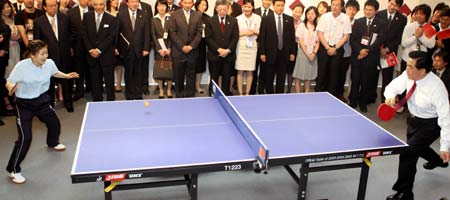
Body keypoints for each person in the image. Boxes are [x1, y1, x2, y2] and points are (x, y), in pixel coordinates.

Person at [5, 40, 79, 184]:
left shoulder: (49, 63)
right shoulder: (22, 66)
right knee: (25, 138)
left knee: (54, 124)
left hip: (42, 100)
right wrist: (11, 88)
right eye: (41, 54)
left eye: (46, 53)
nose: (45, 56)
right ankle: (14, 169)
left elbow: (55, 72)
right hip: (24, 105)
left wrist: (67, 76)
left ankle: (52, 142)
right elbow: (9, 82)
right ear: (32, 55)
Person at [384, 51, 450, 200]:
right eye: (407, 65)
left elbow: (446, 118)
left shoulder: (437, 88)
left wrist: (445, 146)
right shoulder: (409, 75)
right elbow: (391, 87)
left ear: (422, 71)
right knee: (418, 148)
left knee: (408, 153)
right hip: (412, 120)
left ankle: (405, 193)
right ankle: (437, 161)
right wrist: (390, 97)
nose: (406, 69)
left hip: (430, 125)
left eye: (410, 67)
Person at [348, 0, 385, 113]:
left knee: (366, 81)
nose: (367, 12)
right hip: (357, 56)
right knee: (355, 79)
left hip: (371, 57)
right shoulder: (358, 22)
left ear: (376, 11)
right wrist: (360, 50)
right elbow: (352, 39)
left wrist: (367, 51)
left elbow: (380, 40)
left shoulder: (381, 23)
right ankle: (352, 101)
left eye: (370, 10)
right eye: (366, 9)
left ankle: (363, 103)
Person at [81, 0, 119, 101]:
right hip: (92, 56)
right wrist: (90, 50)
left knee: (109, 82)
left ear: (105, 5)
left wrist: (99, 50)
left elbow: (111, 37)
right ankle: (97, 101)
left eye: (101, 4)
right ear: (93, 5)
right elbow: (84, 35)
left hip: (107, 56)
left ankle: (111, 102)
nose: (98, 7)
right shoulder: (86, 17)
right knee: (95, 81)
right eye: (96, 4)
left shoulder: (111, 19)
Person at [258, 0, 296, 94]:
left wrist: (292, 52)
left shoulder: (289, 19)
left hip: (284, 54)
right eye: (278, 5)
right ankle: (269, 96)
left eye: (282, 5)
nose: (280, 7)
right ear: (273, 6)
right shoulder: (266, 19)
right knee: (269, 78)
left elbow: (292, 38)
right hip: (270, 54)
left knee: (281, 78)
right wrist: (262, 53)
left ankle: (279, 96)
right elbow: (262, 37)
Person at [316, 0, 351, 97]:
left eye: (337, 5)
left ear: (342, 7)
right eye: (333, 5)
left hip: (338, 49)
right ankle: (319, 96)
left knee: (334, 75)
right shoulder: (324, 17)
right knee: (322, 73)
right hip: (324, 48)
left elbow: (346, 36)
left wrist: (335, 48)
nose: (334, 7)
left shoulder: (346, 18)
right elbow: (319, 33)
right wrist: (327, 47)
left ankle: (331, 97)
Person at [117, 0, 151, 100]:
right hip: (126, 50)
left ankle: (138, 93)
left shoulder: (144, 14)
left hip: (140, 50)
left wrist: (146, 48)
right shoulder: (120, 14)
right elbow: (117, 33)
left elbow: (147, 33)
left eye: (136, 1)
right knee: (128, 73)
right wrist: (116, 47)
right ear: (127, 3)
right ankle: (129, 94)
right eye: (132, 1)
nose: (134, 4)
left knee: (139, 73)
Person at [168, 0, 202, 98]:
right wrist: (182, 46)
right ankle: (179, 95)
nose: (187, 5)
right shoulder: (174, 14)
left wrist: (191, 46)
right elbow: (172, 32)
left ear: (192, 4)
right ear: (181, 3)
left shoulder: (198, 15)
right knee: (178, 76)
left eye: (189, 3)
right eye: (185, 2)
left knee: (191, 76)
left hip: (192, 51)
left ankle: (190, 96)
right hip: (178, 51)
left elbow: (199, 33)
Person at [205, 0, 239, 96]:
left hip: (228, 56)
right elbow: (208, 38)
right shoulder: (210, 20)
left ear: (228, 9)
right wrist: (218, 49)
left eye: (225, 9)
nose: (222, 11)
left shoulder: (233, 21)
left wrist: (228, 50)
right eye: (220, 9)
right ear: (216, 9)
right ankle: (212, 95)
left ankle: (225, 95)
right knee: (214, 77)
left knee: (227, 77)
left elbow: (235, 38)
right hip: (214, 54)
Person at [376, 0, 407, 103]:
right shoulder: (379, 14)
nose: (392, 7)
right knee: (372, 75)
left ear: (399, 7)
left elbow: (399, 37)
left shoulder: (402, 19)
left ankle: (385, 99)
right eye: (391, 3)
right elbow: (375, 33)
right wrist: (379, 47)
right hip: (376, 50)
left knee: (387, 77)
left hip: (389, 53)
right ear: (388, 2)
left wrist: (387, 49)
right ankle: (370, 96)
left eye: (396, 5)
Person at [68, 0, 93, 101]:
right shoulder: (71, 12)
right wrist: (70, 46)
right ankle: (79, 91)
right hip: (77, 46)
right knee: (78, 69)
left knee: (91, 68)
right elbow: (68, 31)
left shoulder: (93, 10)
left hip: (91, 46)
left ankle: (90, 88)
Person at [235, 0, 260, 96]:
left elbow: (261, 32)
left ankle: (247, 93)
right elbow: (235, 34)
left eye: (249, 7)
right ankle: (240, 93)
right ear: (242, 7)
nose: (247, 9)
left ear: (253, 7)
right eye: (245, 6)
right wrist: (246, 33)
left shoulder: (258, 18)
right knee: (240, 70)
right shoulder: (237, 18)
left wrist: (254, 32)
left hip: (252, 45)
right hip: (241, 46)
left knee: (250, 71)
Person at [293, 6, 318, 93]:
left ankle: (307, 92)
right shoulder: (302, 25)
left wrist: (314, 53)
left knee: (309, 74)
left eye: (312, 14)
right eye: (308, 14)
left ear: (316, 15)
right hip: (303, 53)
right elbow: (301, 41)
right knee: (299, 74)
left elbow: (318, 42)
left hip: (313, 53)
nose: (310, 16)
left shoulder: (318, 26)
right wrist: (307, 54)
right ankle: (297, 93)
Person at [250, 0, 273, 95]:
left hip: (267, 48)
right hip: (253, 46)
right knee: (253, 69)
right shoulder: (254, 11)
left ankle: (261, 89)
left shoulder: (273, 14)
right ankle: (252, 90)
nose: (267, 2)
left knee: (264, 70)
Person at [338, 0, 359, 102]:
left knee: (344, 74)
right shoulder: (339, 19)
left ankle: (341, 93)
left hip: (350, 53)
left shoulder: (358, 23)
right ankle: (333, 93)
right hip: (338, 50)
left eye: (354, 9)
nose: (351, 11)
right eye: (350, 8)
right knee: (335, 73)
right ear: (345, 8)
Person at [151, 0, 173, 98]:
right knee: (160, 69)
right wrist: (159, 49)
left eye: (163, 6)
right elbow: (153, 35)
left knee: (169, 69)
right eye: (159, 6)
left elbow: (173, 34)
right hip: (158, 50)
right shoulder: (153, 19)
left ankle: (168, 89)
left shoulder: (171, 18)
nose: (161, 8)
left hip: (169, 49)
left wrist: (169, 48)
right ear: (156, 7)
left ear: (166, 7)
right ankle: (160, 89)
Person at [1, 0, 18, 116]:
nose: (7, 9)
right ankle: (8, 101)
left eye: (8, 7)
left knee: (17, 74)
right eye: (4, 7)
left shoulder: (14, 19)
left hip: (17, 49)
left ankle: (17, 98)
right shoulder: (0, 21)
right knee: (8, 75)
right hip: (7, 52)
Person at [106, 0, 124, 93]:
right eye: (114, 0)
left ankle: (118, 84)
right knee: (108, 66)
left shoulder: (120, 13)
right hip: (107, 44)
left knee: (119, 65)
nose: (116, 1)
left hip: (119, 43)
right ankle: (110, 84)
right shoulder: (105, 13)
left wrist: (117, 47)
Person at [287, 4, 303, 93]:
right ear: (292, 11)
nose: (297, 14)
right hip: (287, 48)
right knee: (287, 69)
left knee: (293, 70)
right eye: (296, 11)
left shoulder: (303, 23)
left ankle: (291, 90)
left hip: (299, 49)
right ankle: (286, 90)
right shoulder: (287, 20)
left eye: (300, 12)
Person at [194, 0, 209, 94]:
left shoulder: (208, 18)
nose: (203, 6)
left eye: (205, 5)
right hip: (192, 44)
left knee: (200, 66)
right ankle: (190, 85)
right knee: (191, 66)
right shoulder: (192, 15)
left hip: (203, 45)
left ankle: (197, 85)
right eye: (201, 4)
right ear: (197, 5)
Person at [0, 11, 11, 117]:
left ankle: (3, 109)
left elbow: (6, 31)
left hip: (2, 57)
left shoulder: (2, 22)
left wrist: (3, 49)